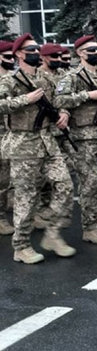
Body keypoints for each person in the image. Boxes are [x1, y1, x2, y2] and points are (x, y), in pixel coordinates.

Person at [0, 34, 75, 263]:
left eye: (36, 49)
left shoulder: (44, 78)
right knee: (26, 197)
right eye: (30, 49)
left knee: (65, 186)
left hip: (47, 141)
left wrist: (64, 114)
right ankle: (21, 246)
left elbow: (61, 100)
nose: (35, 52)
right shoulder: (9, 81)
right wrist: (25, 100)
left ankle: (52, 233)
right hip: (23, 144)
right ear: (19, 54)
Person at [53, 35, 97, 243]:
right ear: (80, 53)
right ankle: (89, 226)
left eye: (96, 50)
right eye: (90, 50)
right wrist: (86, 96)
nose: (95, 54)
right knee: (90, 181)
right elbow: (59, 99)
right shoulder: (72, 76)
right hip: (83, 136)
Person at [0, 41, 15, 236]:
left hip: (11, 134)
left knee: (9, 179)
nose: (12, 60)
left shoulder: (12, 78)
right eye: (8, 57)